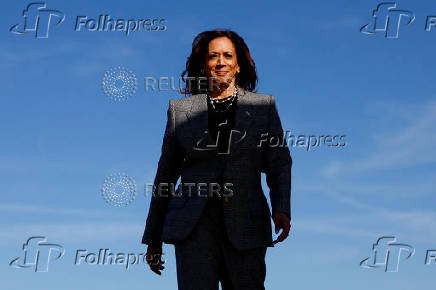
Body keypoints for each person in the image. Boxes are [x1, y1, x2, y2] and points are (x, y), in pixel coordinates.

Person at [141, 29, 292, 290]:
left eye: (227, 55)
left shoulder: (263, 106)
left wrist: (282, 207)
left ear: (239, 64)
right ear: (204, 64)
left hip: (247, 224)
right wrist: (153, 236)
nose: (220, 61)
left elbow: (279, 162)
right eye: (213, 56)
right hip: (193, 226)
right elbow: (165, 176)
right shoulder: (181, 111)